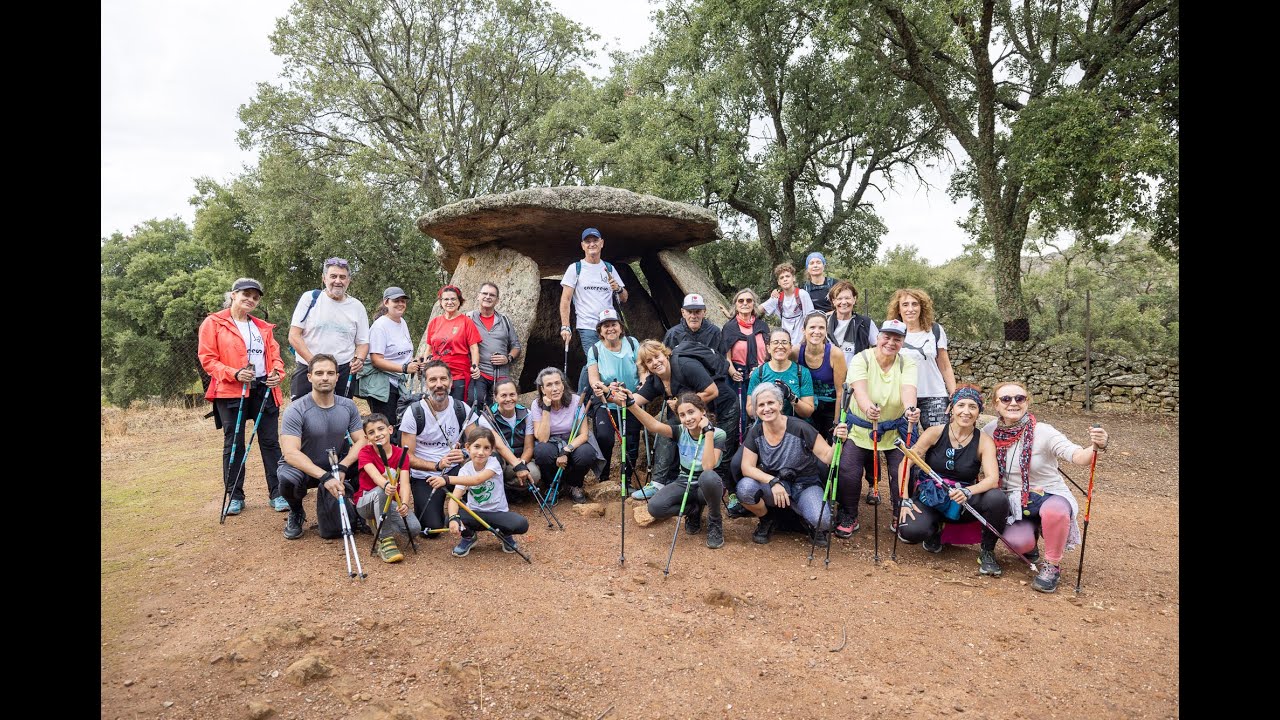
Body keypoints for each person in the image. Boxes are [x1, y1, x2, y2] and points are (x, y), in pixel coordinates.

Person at [982, 381, 1110, 593]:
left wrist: (1098, 445)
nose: (1013, 403)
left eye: (1019, 398)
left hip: (1049, 494)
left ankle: (1052, 565)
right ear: (996, 405)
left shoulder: (1043, 432)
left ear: (1027, 402)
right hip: (1015, 500)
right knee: (1018, 544)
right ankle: (1031, 540)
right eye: (1006, 399)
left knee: (1054, 512)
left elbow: (1078, 456)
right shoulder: (989, 431)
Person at [198, 277, 287, 514]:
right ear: (234, 294)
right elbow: (208, 360)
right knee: (234, 443)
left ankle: (278, 493)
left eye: (256, 297)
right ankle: (234, 496)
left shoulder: (263, 327)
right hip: (230, 390)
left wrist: (277, 373)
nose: (251, 300)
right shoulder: (214, 323)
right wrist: (234, 373)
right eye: (246, 294)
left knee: (270, 442)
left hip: (263, 389)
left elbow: (275, 357)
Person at [896, 385, 1006, 576]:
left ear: (979, 412)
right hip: (931, 496)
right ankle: (935, 530)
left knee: (998, 500)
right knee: (910, 531)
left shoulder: (983, 441)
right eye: (961, 405)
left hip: (962, 499)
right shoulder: (934, 432)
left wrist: (968, 491)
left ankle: (987, 551)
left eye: (972, 406)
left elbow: (992, 479)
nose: (966, 411)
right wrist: (904, 498)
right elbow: (906, 463)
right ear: (951, 409)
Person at [832, 319, 922, 538]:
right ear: (878, 337)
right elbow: (858, 388)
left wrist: (911, 409)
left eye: (897, 339)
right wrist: (867, 407)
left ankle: (899, 510)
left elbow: (908, 388)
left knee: (900, 469)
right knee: (848, 469)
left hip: (894, 429)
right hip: (861, 427)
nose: (890, 342)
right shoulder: (861, 358)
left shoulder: (907, 363)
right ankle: (848, 514)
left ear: (903, 342)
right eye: (886, 337)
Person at [735, 383, 848, 546]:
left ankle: (807, 521)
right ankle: (767, 520)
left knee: (822, 521)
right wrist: (772, 481)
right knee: (745, 488)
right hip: (775, 485)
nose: (766, 408)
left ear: (780, 404)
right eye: (761, 405)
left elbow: (828, 458)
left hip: (805, 484)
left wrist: (838, 442)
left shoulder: (801, 428)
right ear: (756, 410)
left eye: (770, 403)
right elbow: (747, 467)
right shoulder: (756, 432)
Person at [614, 390, 727, 549]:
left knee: (708, 477)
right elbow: (653, 425)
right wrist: (631, 404)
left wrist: (708, 433)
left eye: (691, 412)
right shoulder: (680, 431)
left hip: (707, 485)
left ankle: (714, 521)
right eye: (682, 415)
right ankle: (693, 510)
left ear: (702, 411)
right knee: (655, 507)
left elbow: (709, 467)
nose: (687, 418)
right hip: (684, 481)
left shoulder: (718, 434)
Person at [631, 341, 740, 501]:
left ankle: (730, 493)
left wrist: (681, 404)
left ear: (665, 354)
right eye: (649, 361)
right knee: (668, 429)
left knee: (724, 450)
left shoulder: (686, 366)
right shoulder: (656, 380)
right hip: (695, 413)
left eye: (657, 356)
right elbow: (635, 399)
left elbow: (712, 391)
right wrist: (612, 394)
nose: (655, 362)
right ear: (646, 367)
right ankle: (658, 483)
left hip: (724, 406)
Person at [276, 354, 367, 541]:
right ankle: (296, 511)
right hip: (306, 468)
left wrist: (344, 465)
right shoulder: (296, 409)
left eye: (330, 373)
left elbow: (362, 441)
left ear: (337, 377)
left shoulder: (348, 406)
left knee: (367, 464)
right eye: (319, 373)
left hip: (337, 465)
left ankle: (359, 510)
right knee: (287, 478)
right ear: (309, 377)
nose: (324, 377)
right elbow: (290, 453)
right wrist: (324, 477)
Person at [400, 360, 477, 532]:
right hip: (425, 475)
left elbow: (479, 443)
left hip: (454, 471)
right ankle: (446, 510)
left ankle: (456, 510)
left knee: (473, 517)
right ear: (425, 383)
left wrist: (465, 454)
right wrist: (436, 465)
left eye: (443, 379)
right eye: (433, 380)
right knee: (430, 528)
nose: (439, 384)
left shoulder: (461, 408)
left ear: (451, 382)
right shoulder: (414, 412)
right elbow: (407, 457)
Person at [288, 257, 370, 400]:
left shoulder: (357, 306)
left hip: (343, 370)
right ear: (324, 278)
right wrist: (315, 364)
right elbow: (294, 336)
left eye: (342, 277)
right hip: (308, 366)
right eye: (333, 276)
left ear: (348, 280)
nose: (338, 281)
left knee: (340, 414)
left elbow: (363, 342)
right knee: (301, 413)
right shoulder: (310, 299)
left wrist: (360, 359)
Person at [559, 227, 628, 391]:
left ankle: (598, 398)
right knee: (594, 361)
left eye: (595, 240)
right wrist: (565, 326)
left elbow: (624, 298)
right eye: (588, 241)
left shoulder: (609, 268)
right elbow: (566, 300)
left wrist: (617, 288)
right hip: (588, 326)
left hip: (610, 326)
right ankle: (581, 401)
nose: (592, 244)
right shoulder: (576, 268)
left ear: (601, 243)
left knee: (605, 362)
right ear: (582, 245)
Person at [446, 426, 531, 557]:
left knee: (521, 524)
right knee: (451, 517)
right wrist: (453, 518)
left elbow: (477, 480)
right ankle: (469, 537)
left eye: (486, 448)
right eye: (477, 446)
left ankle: (505, 533)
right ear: (467, 448)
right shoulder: (465, 470)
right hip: (476, 513)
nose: (481, 452)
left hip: (498, 512)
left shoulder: (494, 463)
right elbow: (454, 498)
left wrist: (446, 479)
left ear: (491, 450)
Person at [354, 413, 423, 563]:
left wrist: (404, 503)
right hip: (366, 502)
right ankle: (385, 540)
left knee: (414, 528)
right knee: (381, 491)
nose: (377, 434)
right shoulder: (364, 452)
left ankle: (379, 522)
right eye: (371, 432)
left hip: (390, 501)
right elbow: (374, 475)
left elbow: (405, 483)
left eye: (381, 429)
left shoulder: (400, 454)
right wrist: (385, 484)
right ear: (366, 438)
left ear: (390, 430)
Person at [585, 308, 642, 490]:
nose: (610, 329)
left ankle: (627, 479)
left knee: (631, 439)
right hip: (606, 402)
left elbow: (642, 368)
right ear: (600, 330)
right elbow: (593, 378)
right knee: (604, 437)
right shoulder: (594, 350)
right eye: (606, 326)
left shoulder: (632, 343)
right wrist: (604, 388)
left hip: (631, 401)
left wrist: (643, 382)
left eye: (613, 324)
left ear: (620, 327)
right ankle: (604, 478)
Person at [886, 288, 956, 431]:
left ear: (921, 307)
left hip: (934, 395)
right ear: (898, 309)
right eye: (905, 305)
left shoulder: (935, 330)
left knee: (939, 440)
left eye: (915, 304)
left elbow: (945, 365)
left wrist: (955, 396)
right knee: (906, 444)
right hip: (901, 397)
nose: (910, 309)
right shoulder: (892, 333)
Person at [529, 367, 598, 504]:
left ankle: (575, 484)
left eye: (557, 383)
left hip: (573, 441)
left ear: (563, 384)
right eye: (549, 385)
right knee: (542, 451)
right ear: (542, 389)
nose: (554, 388)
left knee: (587, 453)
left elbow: (584, 434)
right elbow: (542, 438)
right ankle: (553, 486)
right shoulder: (537, 404)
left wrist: (566, 450)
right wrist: (546, 409)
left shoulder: (576, 401)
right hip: (551, 442)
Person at [360, 287, 424, 429]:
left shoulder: (402, 322)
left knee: (400, 423)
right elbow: (376, 360)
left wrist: (414, 362)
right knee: (386, 426)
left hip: (398, 383)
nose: (400, 304)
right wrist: (404, 368)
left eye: (403, 301)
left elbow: (403, 353)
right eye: (396, 301)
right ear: (386, 302)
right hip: (382, 385)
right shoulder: (380, 327)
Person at [721, 288, 771, 442]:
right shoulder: (729, 328)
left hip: (761, 374)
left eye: (749, 300)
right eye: (741, 301)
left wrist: (760, 369)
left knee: (763, 411)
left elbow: (769, 352)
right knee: (741, 414)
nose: (745, 303)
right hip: (738, 375)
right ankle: (740, 446)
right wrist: (731, 371)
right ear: (735, 305)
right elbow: (725, 354)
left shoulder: (762, 326)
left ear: (754, 304)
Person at [477, 378, 540, 498]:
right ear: (495, 398)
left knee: (534, 474)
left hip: (519, 458)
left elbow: (529, 447)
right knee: (493, 461)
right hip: (499, 460)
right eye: (503, 395)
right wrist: (518, 466)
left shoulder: (526, 414)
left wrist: (522, 462)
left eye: (512, 394)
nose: (508, 399)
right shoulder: (486, 417)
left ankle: (507, 490)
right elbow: (499, 446)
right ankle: (495, 491)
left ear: (517, 395)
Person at [791, 312, 847, 439]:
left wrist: (837, 422)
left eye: (821, 328)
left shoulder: (835, 354)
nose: (817, 331)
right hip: (806, 405)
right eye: (812, 327)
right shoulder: (795, 352)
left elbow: (840, 392)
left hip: (830, 407)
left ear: (826, 331)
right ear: (803, 330)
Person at [421, 284, 481, 402]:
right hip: (437, 372)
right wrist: (425, 365)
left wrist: (475, 366)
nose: (450, 302)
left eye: (453, 299)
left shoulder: (466, 322)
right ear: (441, 302)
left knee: (456, 407)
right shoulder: (435, 322)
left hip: (458, 373)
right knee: (436, 406)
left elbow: (474, 348)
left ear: (459, 302)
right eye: (446, 299)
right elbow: (429, 348)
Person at [467, 282, 522, 406]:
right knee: (476, 401)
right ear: (478, 296)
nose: (488, 297)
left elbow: (516, 346)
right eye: (484, 293)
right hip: (478, 373)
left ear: (497, 300)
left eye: (492, 295)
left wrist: (508, 358)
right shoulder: (469, 318)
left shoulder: (504, 320)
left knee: (503, 404)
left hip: (501, 373)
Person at [745, 330, 815, 422]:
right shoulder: (759, 373)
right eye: (776, 342)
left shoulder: (802, 373)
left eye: (784, 342)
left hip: (794, 427)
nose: (780, 346)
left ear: (790, 348)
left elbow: (808, 412)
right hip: (767, 427)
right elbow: (750, 410)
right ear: (768, 348)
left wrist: (792, 397)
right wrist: (767, 402)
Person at [759, 262, 814, 346]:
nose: (785, 279)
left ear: (793, 278)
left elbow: (811, 319)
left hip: (802, 343)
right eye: (781, 278)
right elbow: (759, 309)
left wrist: (804, 341)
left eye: (787, 276)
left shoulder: (802, 294)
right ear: (778, 282)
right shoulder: (777, 298)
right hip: (785, 344)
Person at [824, 280, 878, 368]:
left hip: (857, 376)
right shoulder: (824, 322)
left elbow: (879, 348)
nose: (844, 302)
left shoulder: (865, 323)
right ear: (834, 301)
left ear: (854, 299)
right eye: (839, 299)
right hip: (829, 376)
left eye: (847, 298)